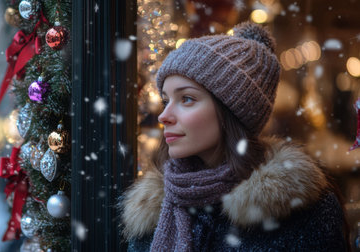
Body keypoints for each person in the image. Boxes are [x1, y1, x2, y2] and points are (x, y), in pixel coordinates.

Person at [120, 22, 349, 251]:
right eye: (165, 101)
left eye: (186, 99)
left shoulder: (303, 213)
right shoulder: (155, 212)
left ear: (230, 110)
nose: (164, 116)